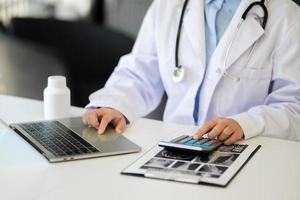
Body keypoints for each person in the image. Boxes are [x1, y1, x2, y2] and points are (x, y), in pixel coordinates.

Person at [83, 0, 300, 145]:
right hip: (171, 148)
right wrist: (114, 105)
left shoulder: (287, 16)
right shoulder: (168, 5)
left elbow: (294, 107)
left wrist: (245, 124)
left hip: (246, 152)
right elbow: (140, 71)